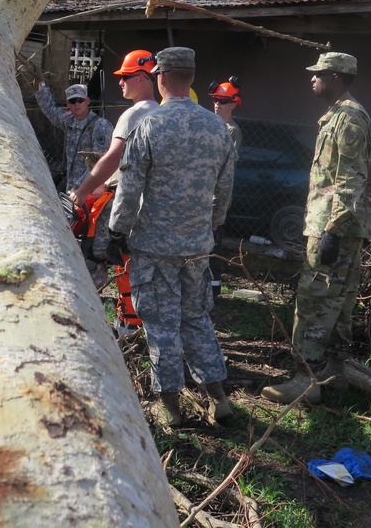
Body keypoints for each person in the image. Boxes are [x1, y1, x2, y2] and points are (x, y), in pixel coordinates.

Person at [108, 47, 237, 427]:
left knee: (161, 325)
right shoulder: (218, 128)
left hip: (154, 246)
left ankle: (169, 406)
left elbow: (129, 187)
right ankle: (218, 397)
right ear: (192, 77)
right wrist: (214, 223)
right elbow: (225, 188)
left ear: (160, 77)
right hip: (197, 244)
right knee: (196, 318)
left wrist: (117, 230)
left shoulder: (149, 125)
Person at [262, 51, 371, 406]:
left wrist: (332, 230)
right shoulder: (340, 115)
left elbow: (351, 180)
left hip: (336, 226)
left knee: (315, 299)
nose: (312, 78)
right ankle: (335, 373)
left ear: (335, 78)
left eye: (319, 73)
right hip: (343, 225)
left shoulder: (349, 119)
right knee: (339, 302)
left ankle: (306, 379)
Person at [69, 50, 158, 306]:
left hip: (123, 202)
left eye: (125, 77)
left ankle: (81, 309)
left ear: (141, 78)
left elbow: (113, 158)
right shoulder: (162, 114)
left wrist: (82, 190)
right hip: (149, 208)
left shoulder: (133, 114)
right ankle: (130, 316)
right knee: (132, 264)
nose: (120, 82)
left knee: (93, 255)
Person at [34, 80, 113, 192]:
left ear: (87, 101)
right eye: (73, 101)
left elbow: (99, 161)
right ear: (68, 104)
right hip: (73, 186)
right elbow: (51, 111)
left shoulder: (100, 125)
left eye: (80, 100)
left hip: (92, 187)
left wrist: (80, 187)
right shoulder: (69, 121)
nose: (77, 104)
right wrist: (42, 86)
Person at [208, 77, 243, 297]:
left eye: (223, 101)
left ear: (233, 104)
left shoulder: (232, 130)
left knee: (213, 244)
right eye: (215, 100)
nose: (217, 104)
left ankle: (213, 290)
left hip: (216, 197)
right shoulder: (211, 126)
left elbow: (225, 166)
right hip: (203, 194)